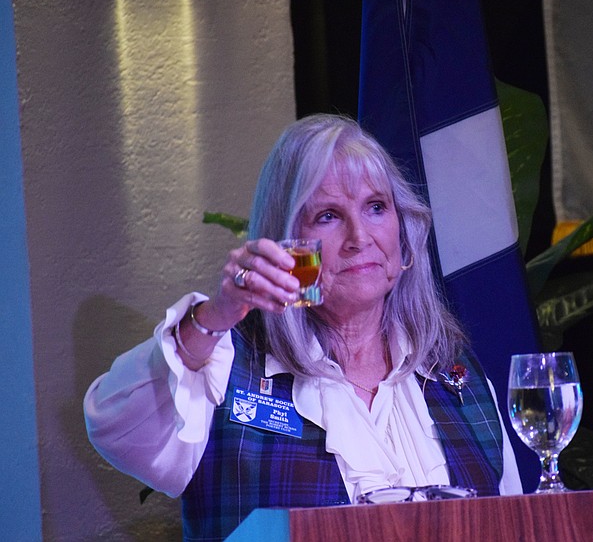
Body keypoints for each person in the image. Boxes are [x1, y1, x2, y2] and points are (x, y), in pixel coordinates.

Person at [84, 113, 522, 541]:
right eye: (328, 215)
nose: (359, 237)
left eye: (376, 207)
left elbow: (516, 525)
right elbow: (114, 425)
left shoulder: (454, 375)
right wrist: (216, 315)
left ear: (403, 235)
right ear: (286, 244)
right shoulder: (228, 361)